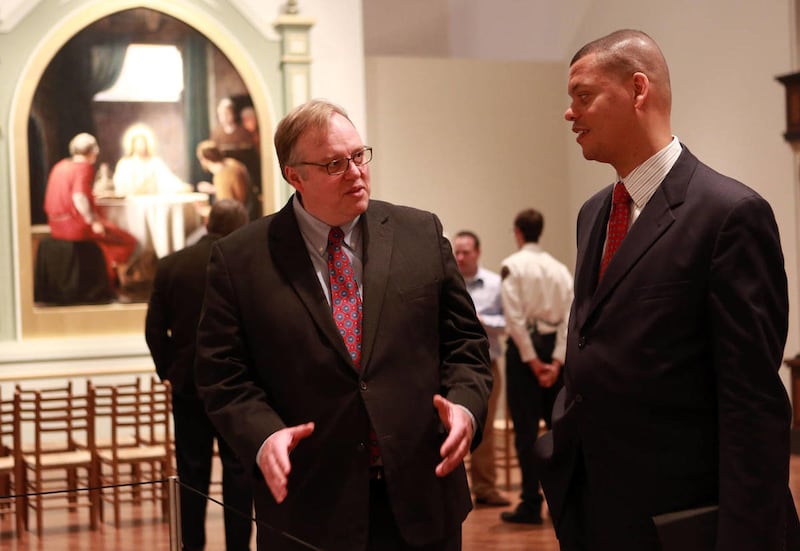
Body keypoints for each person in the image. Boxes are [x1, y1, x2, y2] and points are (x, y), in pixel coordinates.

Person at [537, 29, 800, 550]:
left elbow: (751, 404)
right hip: (596, 509)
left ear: (638, 90)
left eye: (583, 96)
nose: (570, 113)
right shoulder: (594, 213)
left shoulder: (729, 214)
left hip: (681, 519)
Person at [194, 98, 492, 551]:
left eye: (358, 156)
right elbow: (222, 376)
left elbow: (465, 344)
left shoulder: (420, 233)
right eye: (335, 164)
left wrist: (464, 407)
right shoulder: (240, 260)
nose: (356, 172)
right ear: (295, 176)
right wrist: (263, 435)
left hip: (422, 496)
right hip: (309, 505)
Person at [145, 199, 253, 551]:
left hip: (188, 387)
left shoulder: (172, 265)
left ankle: (191, 547)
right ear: (240, 227)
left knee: (191, 475)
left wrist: (169, 371)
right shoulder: (245, 265)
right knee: (238, 473)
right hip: (237, 387)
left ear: (208, 225)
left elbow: (154, 329)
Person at [498, 209, 573, 525]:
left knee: (526, 432)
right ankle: (562, 503)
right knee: (558, 431)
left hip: (524, 355)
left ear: (518, 232)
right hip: (554, 351)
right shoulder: (560, 270)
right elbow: (570, 318)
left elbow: (514, 319)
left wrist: (532, 362)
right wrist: (556, 362)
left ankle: (531, 502)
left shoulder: (511, 266)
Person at [452, 230, 510, 508]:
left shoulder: (495, 284)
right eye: (457, 252)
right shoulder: (447, 281)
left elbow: (509, 323)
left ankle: (485, 487)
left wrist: (482, 320)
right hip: (451, 366)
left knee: (484, 428)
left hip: (487, 364)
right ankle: (452, 491)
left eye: (466, 252)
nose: (460, 257)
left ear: (477, 252)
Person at [44, 132, 138, 290]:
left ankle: (109, 275)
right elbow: (79, 197)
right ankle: (113, 279)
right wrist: (93, 221)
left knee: (105, 242)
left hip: (56, 225)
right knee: (127, 240)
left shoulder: (60, 166)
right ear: (92, 152)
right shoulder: (84, 167)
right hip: (75, 227)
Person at [113, 123, 191, 196]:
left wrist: (181, 187)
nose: (141, 146)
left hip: (150, 200)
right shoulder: (125, 164)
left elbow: (167, 179)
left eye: (143, 143)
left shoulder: (155, 163)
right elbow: (121, 184)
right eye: (138, 143)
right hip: (131, 201)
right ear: (132, 145)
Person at [196, 140, 260, 221]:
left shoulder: (221, 177)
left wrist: (205, 211)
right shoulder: (233, 163)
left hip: (239, 220)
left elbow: (227, 212)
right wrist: (213, 189)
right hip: (251, 214)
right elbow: (235, 189)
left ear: (204, 160)